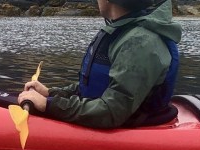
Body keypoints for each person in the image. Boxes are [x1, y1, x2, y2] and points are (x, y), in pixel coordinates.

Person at [17, 0, 182, 128]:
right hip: (112, 116)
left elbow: (112, 111)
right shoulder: (126, 32)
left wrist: (50, 105)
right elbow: (97, 86)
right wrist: (51, 93)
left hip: (130, 127)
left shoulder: (140, 42)